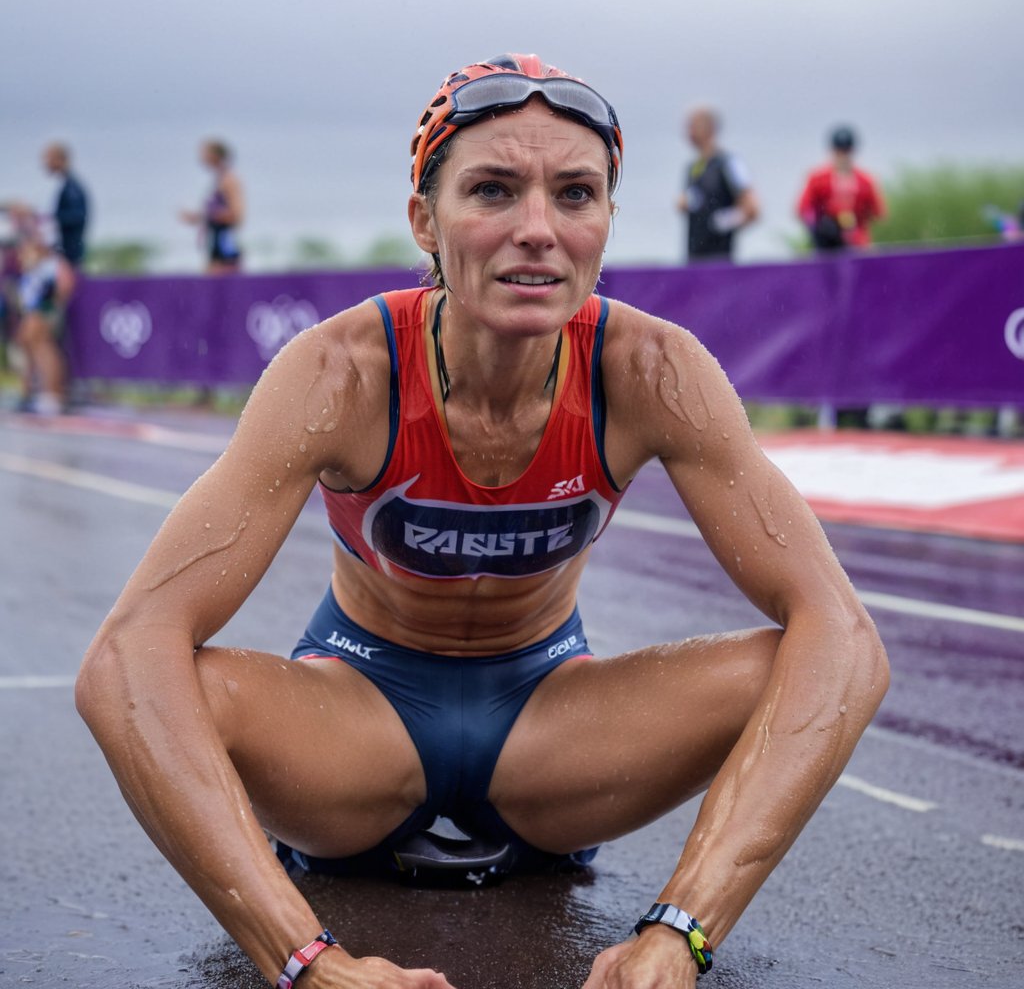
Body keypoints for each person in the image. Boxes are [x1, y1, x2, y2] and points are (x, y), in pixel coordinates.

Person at [77, 54, 888, 989]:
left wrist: (681, 932)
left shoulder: (653, 370)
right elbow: (124, 657)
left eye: (574, 194)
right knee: (169, 678)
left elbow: (847, 640)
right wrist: (307, 962)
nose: (537, 230)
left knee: (808, 655)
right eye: (494, 190)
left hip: (554, 737)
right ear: (424, 218)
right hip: (353, 727)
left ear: (606, 223)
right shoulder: (338, 373)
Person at [676, 107, 759, 263]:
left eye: (693, 125)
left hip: (721, 261)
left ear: (709, 128)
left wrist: (724, 221)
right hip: (693, 260)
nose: (689, 132)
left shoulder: (729, 163)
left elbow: (752, 209)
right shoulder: (693, 168)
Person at [10, 229, 75, 414]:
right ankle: (34, 392)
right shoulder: (34, 266)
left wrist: (47, 306)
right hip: (33, 312)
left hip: (44, 312)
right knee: (31, 349)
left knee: (45, 349)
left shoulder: (53, 264)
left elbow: (65, 286)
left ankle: (53, 395)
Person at [797, 126, 885, 251]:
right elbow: (803, 209)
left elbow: (878, 213)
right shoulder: (818, 179)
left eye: (846, 150)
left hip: (858, 243)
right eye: (839, 150)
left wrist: (856, 223)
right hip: (827, 244)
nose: (843, 155)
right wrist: (818, 226)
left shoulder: (865, 181)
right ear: (832, 151)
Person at [180, 138, 245, 273]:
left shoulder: (229, 180)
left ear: (215, 156)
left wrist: (207, 216)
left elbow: (237, 215)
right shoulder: (220, 179)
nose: (201, 157)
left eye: (205, 153)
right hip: (216, 240)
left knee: (221, 283)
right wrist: (198, 217)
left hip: (225, 241)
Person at [42, 142, 90, 269]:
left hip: (71, 253)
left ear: (60, 159)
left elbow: (78, 216)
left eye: (48, 159)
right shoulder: (68, 185)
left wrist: (51, 218)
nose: (45, 163)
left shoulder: (71, 187)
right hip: (68, 252)